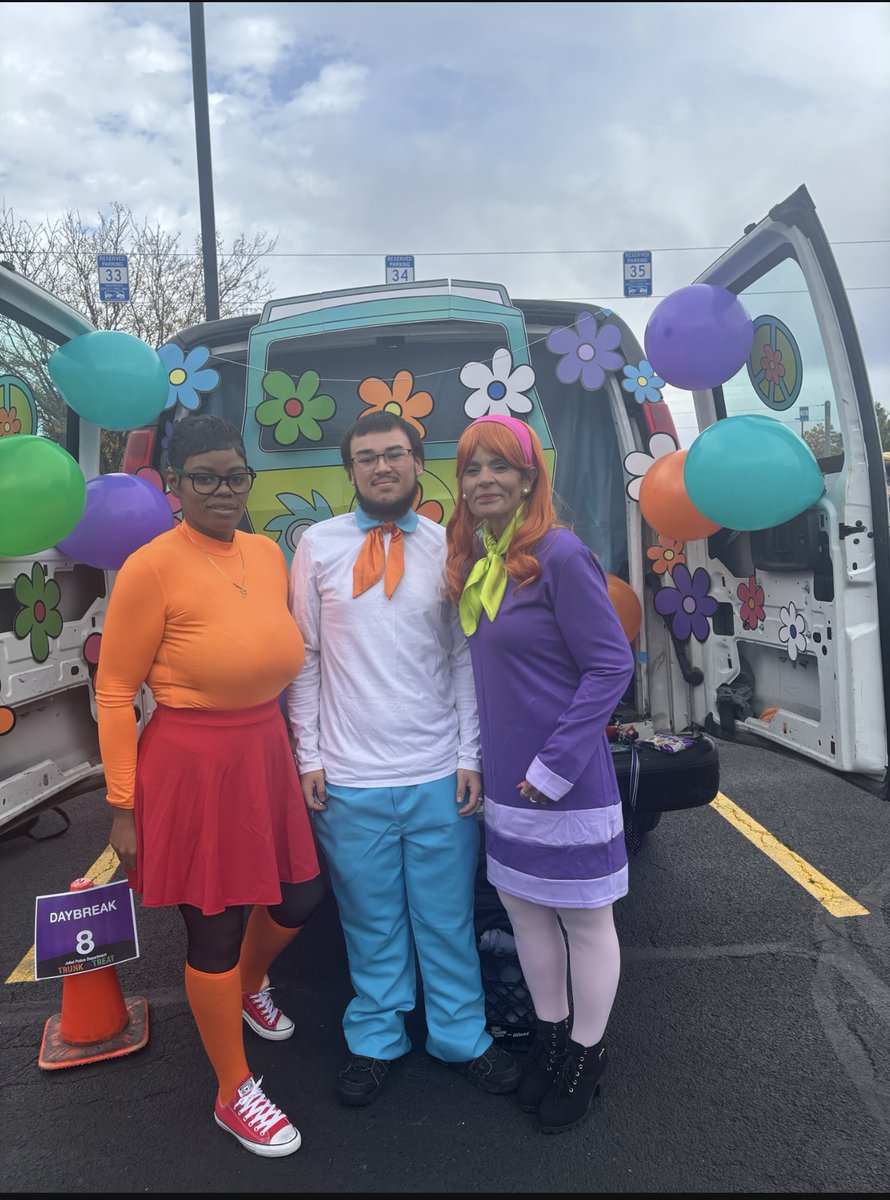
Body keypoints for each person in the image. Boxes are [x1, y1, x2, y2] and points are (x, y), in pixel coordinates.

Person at [95, 414, 324, 1159]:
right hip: (191, 763)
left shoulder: (266, 553)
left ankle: (250, 986)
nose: (223, 490)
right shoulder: (151, 566)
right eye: (205, 477)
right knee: (215, 927)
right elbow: (114, 691)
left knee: (298, 896)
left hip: (265, 751)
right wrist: (122, 807)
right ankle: (234, 1090)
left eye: (235, 476)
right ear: (176, 484)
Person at [286, 410, 521, 1107]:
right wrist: (309, 756)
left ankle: (460, 1037)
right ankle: (375, 1037)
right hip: (350, 779)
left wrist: (469, 755)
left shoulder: (451, 548)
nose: (381, 467)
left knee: (447, 918)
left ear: (419, 463)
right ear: (350, 470)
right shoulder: (316, 547)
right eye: (366, 457)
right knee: (369, 919)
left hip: (435, 775)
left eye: (394, 454)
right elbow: (303, 659)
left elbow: (461, 659)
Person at [444, 413, 636, 1136]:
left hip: (563, 779)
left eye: (500, 467)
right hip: (507, 783)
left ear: (529, 480)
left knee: (585, 920)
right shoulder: (486, 565)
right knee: (525, 913)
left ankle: (587, 1054)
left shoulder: (560, 554)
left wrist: (553, 765)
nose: (485, 480)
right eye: (472, 468)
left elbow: (611, 663)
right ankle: (552, 1038)